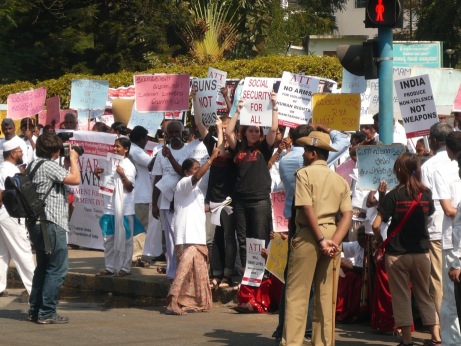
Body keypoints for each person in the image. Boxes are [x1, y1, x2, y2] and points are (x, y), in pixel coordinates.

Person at [283, 131, 352, 346]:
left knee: (297, 294)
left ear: (313, 153)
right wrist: (334, 241)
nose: (303, 155)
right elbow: (347, 215)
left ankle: (292, 342)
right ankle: (323, 342)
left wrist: (321, 239)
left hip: (309, 235)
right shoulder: (340, 180)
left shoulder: (304, 174)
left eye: (305, 151)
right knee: (326, 295)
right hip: (332, 235)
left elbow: (307, 207)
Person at [372, 152, 441, 346]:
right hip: (421, 252)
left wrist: (379, 242)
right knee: (424, 295)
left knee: (401, 296)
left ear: (398, 171)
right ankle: (436, 338)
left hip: (397, 254)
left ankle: (407, 341)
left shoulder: (393, 195)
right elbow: (428, 217)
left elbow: (376, 225)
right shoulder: (426, 193)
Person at [27, 133, 81, 324]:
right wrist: (74, 159)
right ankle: (47, 312)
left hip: (38, 223)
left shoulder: (35, 164)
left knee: (43, 267)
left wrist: (66, 164)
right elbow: (75, 179)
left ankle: (35, 310)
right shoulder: (48, 165)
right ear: (55, 150)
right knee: (57, 269)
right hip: (52, 223)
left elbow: (59, 179)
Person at [224, 94, 278, 274]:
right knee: (243, 239)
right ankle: (247, 275)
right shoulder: (238, 148)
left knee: (259, 238)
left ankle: (260, 275)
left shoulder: (264, 148)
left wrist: (274, 106)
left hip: (260, 200)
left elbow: (273, 129)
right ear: (245, 132)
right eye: (251, 130)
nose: (254, 134)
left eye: (257, 131)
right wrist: (237, 112)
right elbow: (228, 132)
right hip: (240, 201)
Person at [165, 146, 220, 315]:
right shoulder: (183, 183)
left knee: (196, 272)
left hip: (197, 235)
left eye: (199, 167)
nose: (199, 171)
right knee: (183, 270)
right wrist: (211, 159)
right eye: (196, 168)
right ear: (187, 172)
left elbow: (198, 208)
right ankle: (172, 301)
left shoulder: (195, 190)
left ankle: (188, 301)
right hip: (186, 235)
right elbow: (197, 176)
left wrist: (219, 206)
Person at [95, 137, 145, 277]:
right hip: (109, 207)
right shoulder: (109, 162)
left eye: (118, 147)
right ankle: (110, 267)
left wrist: (122, 174)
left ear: (126, 149)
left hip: (124, 208)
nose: (115, 149)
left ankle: (125, 268)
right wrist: (99, 175)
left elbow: (129, 188)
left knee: (126, 240)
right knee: (108, 239)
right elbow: (108, 184)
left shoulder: (129, 166)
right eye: (114, 146)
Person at [421, 122, 454, 323]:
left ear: (433, 141)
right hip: (448, 229)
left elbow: (424, 202)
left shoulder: (428, 166)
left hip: (436, 230)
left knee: (439, 280)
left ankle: (443, 329)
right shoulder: (453, 162)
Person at [432, 131, 461, 345]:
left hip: (454, 244)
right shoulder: (442, 167)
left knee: (451, 300)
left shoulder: (438, 168)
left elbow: (449, 210)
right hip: (452, 239)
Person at [152, 120, 188, 279]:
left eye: (176, 132)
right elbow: (157, 179)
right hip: (165, 201)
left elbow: (184, 173)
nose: (174, 136)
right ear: (166, 135)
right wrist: (154, 204)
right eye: (171, 133)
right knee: (169, 238)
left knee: (180, 237)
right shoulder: (161, 153)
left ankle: (181, 271)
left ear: (182, 133)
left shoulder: (188, 151)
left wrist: (171, 157)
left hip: (182, 201)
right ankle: (171, 272)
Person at [0, 137, 35, 297]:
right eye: (20, 151)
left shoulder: (3, 168)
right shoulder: (10, 171)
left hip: (4, 216)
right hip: (11, 215)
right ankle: (35, 289)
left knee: (2, 253)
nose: (22, 154)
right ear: (13, 153)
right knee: (23, 252)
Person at [128, 126, 154, 267]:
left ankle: (134, 255)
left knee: (137, 227)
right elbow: (152, 164)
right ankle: (137, 256)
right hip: (140, 195)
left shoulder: (131, 149)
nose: (147, 142)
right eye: (146, 139)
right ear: (141, 138)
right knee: (141, 227)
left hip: (137, 195)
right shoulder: (136, 151)